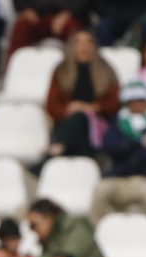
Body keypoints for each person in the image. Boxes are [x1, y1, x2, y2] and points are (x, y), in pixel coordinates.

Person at [93, 81, 146, 244]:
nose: (137, 105)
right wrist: (141, 143)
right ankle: (96, 240)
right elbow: (109, 146)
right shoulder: (117, 125)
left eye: (141, 101)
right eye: (132, 102)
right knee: (102, 189)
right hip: (121, 179)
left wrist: (128, 148)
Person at [44, 29, 119, 161]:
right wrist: (69, 109)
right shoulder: (61, 71)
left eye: (88, 42)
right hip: (68, 124)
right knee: (78, 122)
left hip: (98, 126)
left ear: (95, 46)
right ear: (71, 46)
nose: (84, 47)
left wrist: (94, 108)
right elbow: (52, 106)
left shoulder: (106, 70)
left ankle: (52, 155)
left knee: (81, 117)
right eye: (78, 42)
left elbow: (115, 104)